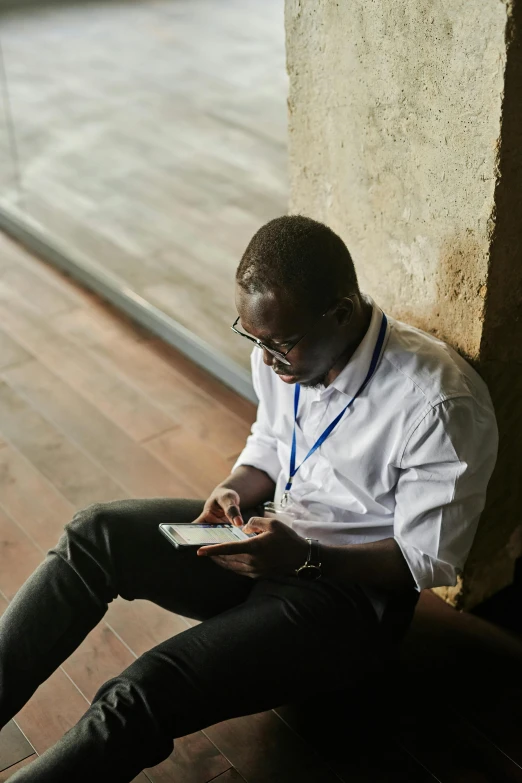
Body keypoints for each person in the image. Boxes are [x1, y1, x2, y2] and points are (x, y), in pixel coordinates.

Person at [0, 215, 498, 781]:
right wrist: (234, 487)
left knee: (145, 690)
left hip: (350, 602)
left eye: (279, 343)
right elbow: (270, 440)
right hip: (268, 541)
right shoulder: (284, 349)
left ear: (340, 312)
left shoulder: (437, 403)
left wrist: (305, 560)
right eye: (251, 337)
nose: (264, 359)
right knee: (95, 534)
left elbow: (427, 561)